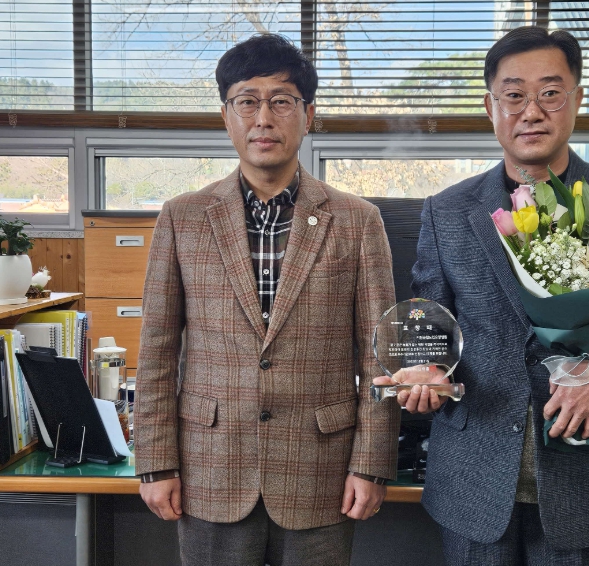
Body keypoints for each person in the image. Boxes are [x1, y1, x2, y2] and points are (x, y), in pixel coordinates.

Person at [376, 26, 589, 565]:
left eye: (550, 93)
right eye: (514, 95)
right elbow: (430, 323)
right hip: (473, 476)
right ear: (490, 107)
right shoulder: (446, 211)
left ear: (577, 99)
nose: (532, 112)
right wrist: (427, 371)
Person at [135, 33, 400, 566]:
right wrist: (156, 462)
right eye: (247, 101)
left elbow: (381, 354)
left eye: (281, 101)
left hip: (321, 472)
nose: (263, 119)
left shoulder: (357, 220)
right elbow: (158, 349)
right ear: (226, 115)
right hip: (210, 468)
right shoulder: (182, 217)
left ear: (308, 115)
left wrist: (371, 464)